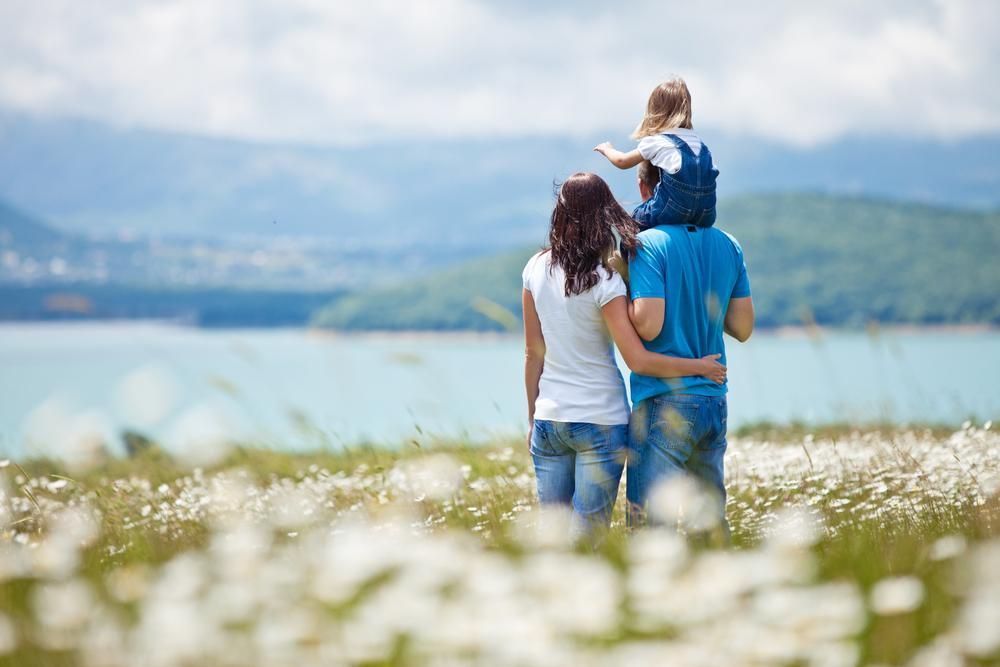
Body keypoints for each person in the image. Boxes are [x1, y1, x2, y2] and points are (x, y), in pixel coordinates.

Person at [522, 172, 727, 543]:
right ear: (603, 214)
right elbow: (639, 360)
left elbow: (533, 353)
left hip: (549, 419)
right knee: (590, 539)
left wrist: (532, 416)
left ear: (561, 212)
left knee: (550, 537)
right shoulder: (606, 280)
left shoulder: (535, 268)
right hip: (600, 420)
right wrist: (700, 367)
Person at [624, 160, 754, 538]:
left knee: (650, 525)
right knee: (709, 523)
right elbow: (743, 328)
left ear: (646, 188)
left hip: (664, 399)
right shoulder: (728, 244)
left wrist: (623, 282)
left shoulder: (647, 244)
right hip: (714, 397)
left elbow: (649, 323)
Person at [593, 77, 718, 230]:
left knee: (634, 222)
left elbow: (622, 161)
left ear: (654, 112)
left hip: (674, 208)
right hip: (706, 212)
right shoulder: (699, 143)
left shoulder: (658, 141)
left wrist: (607, 149)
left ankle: (625, 254)